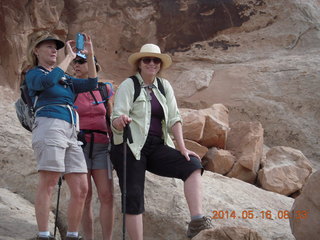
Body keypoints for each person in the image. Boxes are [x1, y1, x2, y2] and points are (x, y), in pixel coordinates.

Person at [110, 43, 212, 240]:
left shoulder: (164, 87)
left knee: (192, 165)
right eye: (146, 60)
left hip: (157, 146)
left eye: (155, 60)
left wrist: (182, 147)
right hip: (130, 146)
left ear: (160, 64)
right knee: (134, 196)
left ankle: (196, 221)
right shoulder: (128, 85)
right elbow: (116, 116)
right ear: (139, 64)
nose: (151, 63)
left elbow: (175, 118)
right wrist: (120, 121)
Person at [25, 31, 98, 240]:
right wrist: (69, 57)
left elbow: (92, 83)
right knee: (49, 180)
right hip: (50, 125)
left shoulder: (65, 78)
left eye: (56, 47)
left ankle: (72, 235)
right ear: (36, 51)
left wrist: (90, 54)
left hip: (71, 129)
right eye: (48, 46)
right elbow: (47, 83)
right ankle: (44, 234)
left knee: (82, 188)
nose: (53, 50)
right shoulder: (34, 74)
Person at [73, 53, 114, 240]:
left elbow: (110, 117)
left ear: (93, 66)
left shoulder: (105, 89)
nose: (77, 65)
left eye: (81, 61)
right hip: (80, 145)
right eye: (75, 62)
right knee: (85, 196)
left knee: (106, 196)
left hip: (102, 146)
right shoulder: (71, 88)